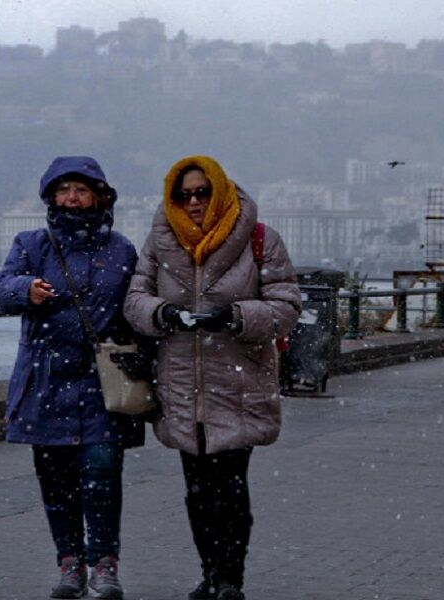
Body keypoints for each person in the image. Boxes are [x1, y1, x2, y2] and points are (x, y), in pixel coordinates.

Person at [123, 155, 301, 600]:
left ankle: (229, 579)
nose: (194, 202)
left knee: (231, 487)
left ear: (219, 191)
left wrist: (236, 317)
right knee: (197, 490)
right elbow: (135, 300)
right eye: (184, 195)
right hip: (182, 385)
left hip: (238, 384)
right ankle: (209, 572)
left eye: (202, 192)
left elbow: (287, 307)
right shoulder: (160, 241)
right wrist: (163, 314)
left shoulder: (259, 239)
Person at [0, 156, 143, 600]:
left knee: (102, 472)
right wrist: (26, 290)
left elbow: (136, 304)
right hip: (46, 382)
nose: (72, 198)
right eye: (63, 190)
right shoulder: (32, 244)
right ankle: (70, 561)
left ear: (99, 196)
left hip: (102, 383)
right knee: (55, 480)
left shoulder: (121, 249)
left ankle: (104, 562)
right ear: (51, 197)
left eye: (81, 189)